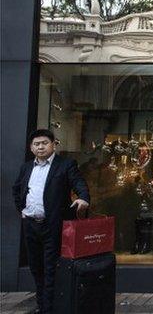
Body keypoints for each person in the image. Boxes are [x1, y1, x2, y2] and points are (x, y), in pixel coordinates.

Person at [12, 129, 90, 313]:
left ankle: (49, 309)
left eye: (44, 143)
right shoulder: (26, 167)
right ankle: (42, 305)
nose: (40, 147)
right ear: (31, 148)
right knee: (36, 268)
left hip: (53, 225)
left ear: (54, 144)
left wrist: (83, 198)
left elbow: (79, 182)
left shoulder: (66, 165)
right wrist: (21, 209)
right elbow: (16, 189)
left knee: (50, 269)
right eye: (36, 144)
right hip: (30, 225)